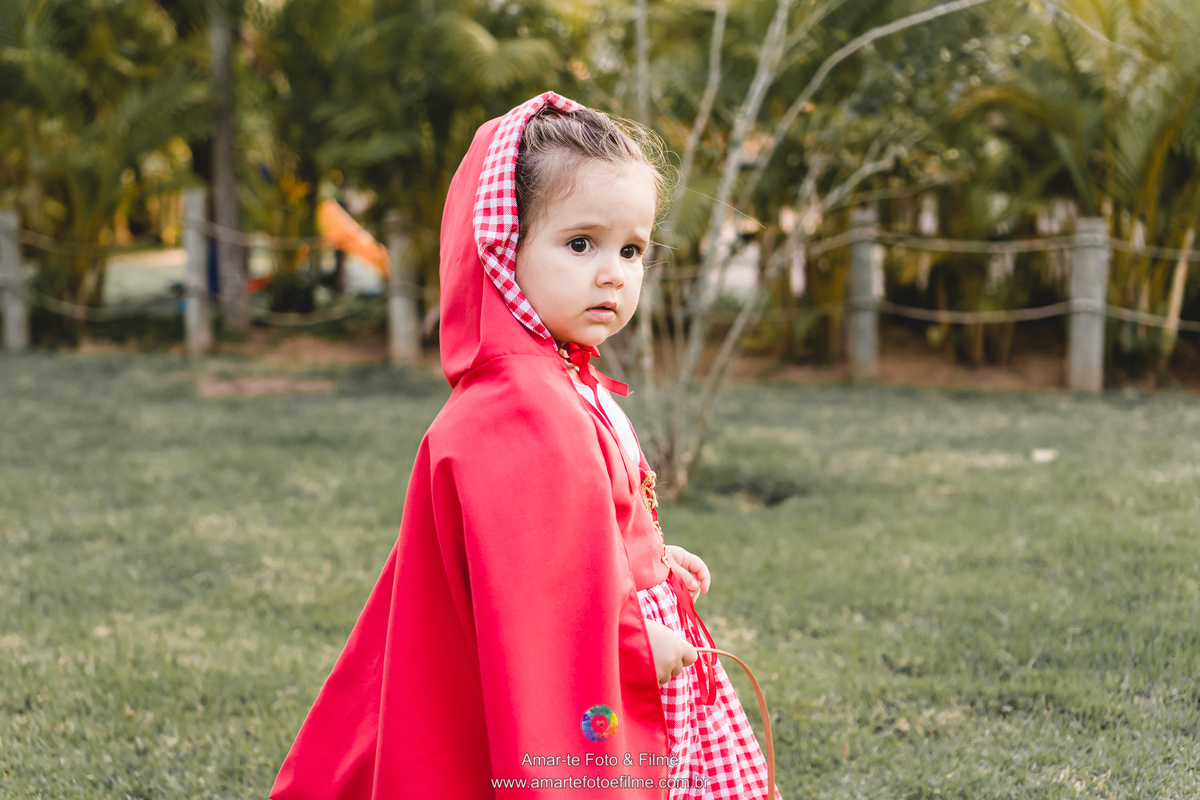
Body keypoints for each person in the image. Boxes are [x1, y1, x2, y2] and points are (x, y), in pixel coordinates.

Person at [271, 92, 778, 799]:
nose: (613, 272)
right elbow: (535, 590)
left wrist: (651, 561)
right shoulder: (521, 409)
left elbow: (583, 531)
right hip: (610, 667)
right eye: (581, 244)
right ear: (502, 250)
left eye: (632, 249)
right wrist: (634, 642)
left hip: (633, 635)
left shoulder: (560, 377)